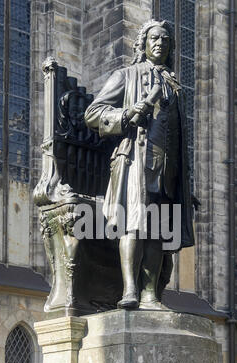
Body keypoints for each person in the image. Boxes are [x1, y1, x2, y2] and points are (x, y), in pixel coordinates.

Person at [84, 19, 195, 310]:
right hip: (134, 160)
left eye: (165, 40)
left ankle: (150, 295)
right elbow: (94, 113)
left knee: (158, 230)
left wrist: (185, 180)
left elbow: (177, 136)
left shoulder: (173, 85)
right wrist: (126, 113)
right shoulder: (126, 75)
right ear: (143, 44)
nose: (160, 43)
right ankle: (130, 291)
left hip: (167, 169)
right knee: (133, 225)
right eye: (154, 38)